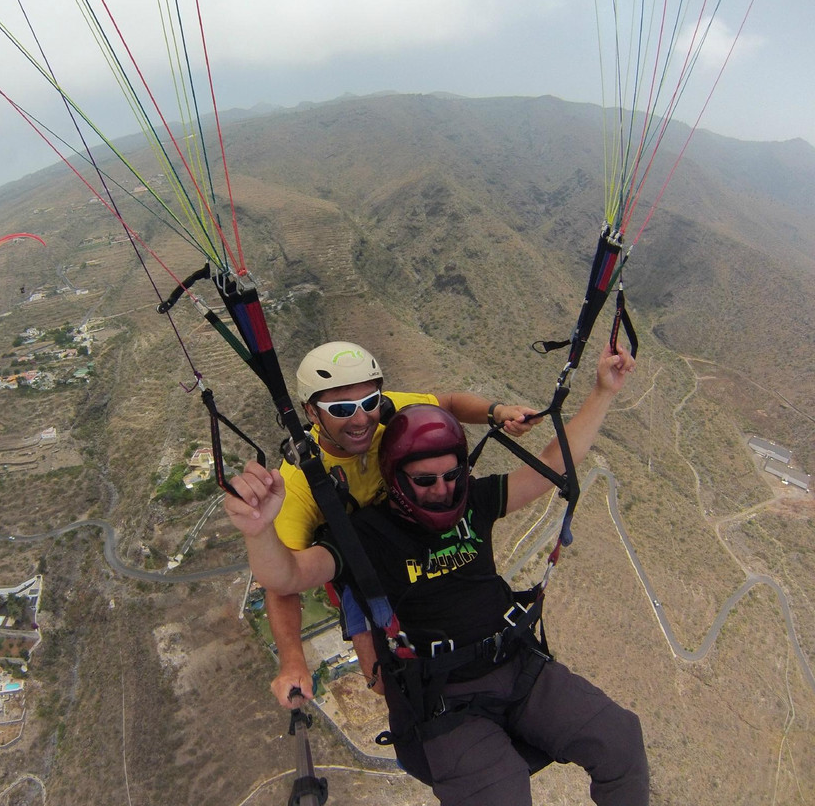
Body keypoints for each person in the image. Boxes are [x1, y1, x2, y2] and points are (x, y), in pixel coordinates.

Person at [228, 344, 649, 805]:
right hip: (442, 693)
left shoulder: (470, 496)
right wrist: (258, 531)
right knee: (499, 791)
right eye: (425, 481)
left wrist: (601, 392)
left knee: (619, 739)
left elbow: (549, 464)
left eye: (452, 476)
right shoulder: (359, 529)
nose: (443, 490)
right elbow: (285, 577)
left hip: (515, 662)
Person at [265, 341, 539, 708]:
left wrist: (498, 412)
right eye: (342, 409)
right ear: (312, 412)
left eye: (370, 402)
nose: (361, 419)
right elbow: (282, 585)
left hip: (412, 533)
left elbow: (449, 404)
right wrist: (292, 662)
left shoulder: (385, 410)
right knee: (382, 681)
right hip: (359, 562)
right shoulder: (299, 486)